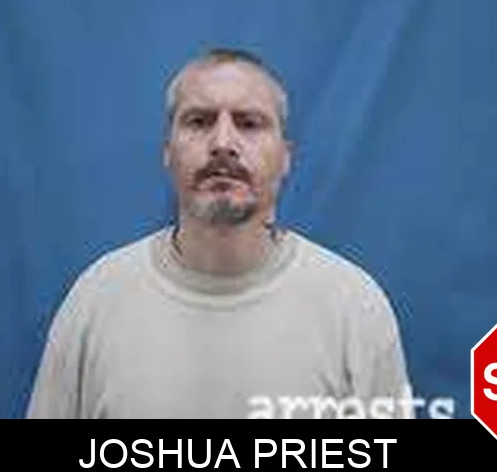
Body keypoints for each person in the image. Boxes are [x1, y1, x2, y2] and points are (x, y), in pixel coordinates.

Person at [26, 47, 415, 419]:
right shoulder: (96, 302)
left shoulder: (354, 309)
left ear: (286, 157)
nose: (223, 143)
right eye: (199, 121)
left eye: (249, 123)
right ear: (168, 151)